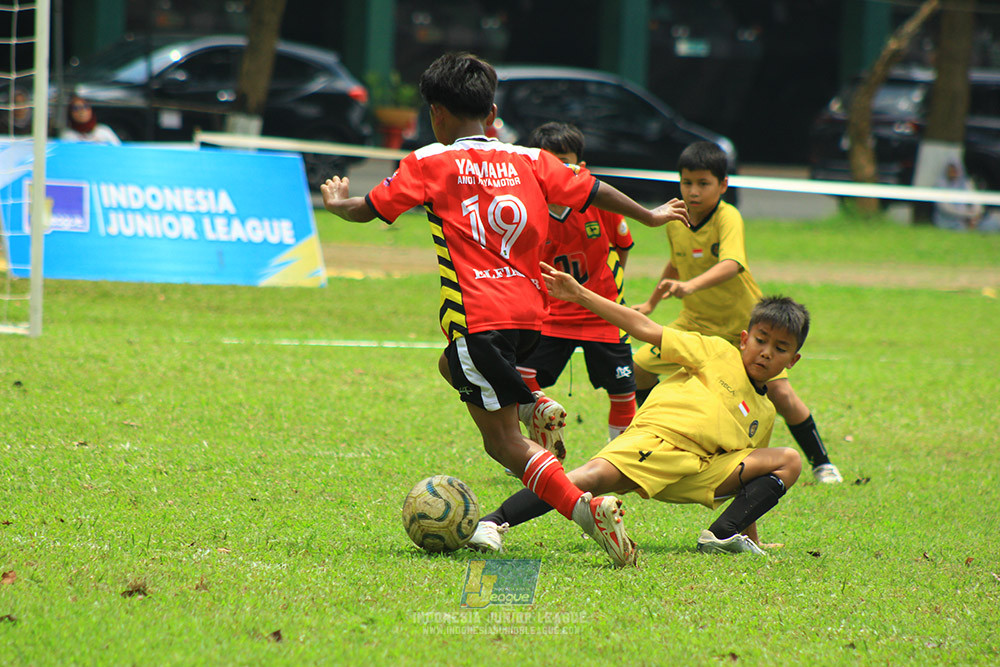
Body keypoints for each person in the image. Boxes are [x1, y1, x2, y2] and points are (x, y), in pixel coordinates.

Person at [320, 52, 689, 567]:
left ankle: (586, 511)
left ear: (436, 112)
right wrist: (648, 215)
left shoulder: (429, 162)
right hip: (530, 318)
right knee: (450, 364)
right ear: (491, 112)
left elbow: (371, 210)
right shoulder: (533, 161)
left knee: (504, 443)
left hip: (479, 318)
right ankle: (533, 400)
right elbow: (592, 190)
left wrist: (339, 203)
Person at [469, 272, 806, 557]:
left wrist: (753, 536)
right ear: (745, 339)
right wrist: (580, 294)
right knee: (588, 478)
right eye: (761, 340)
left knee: (788, 459)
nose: (766, 353)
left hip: (702, 470)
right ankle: (494, 521)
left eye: (780, 349)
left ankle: (721, 537)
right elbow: (645, 328)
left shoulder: (765, 411)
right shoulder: (717, 352)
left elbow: (751, 477)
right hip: (655, 443)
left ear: (793, 360)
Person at [632, 141, 843, 484]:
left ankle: (823, 463)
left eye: (703, 183)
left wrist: (691, 286)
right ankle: (648, 441)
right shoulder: (675, 219)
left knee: (782, 394)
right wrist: (652, 303)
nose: (693, 191)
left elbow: (732, 263)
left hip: (745, 328)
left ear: (723, 185)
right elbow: (677, 261)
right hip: (695, 323)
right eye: (687, 183)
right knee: (640, 368)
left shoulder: (728, 216)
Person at [513, 121, 637, 454]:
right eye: (548, 161)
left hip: (602, 314)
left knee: (623, 391)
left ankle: (621, 460)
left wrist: (608, 290)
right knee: (517, 379)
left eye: (565, 161)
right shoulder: (525, 207)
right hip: (552, 316)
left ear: (581, 167)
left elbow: (623, 244)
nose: (556, 169)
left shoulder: (601, 200)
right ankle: (532, 444)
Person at [932, 160, 998, 232]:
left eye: (955, 170)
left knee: (991, 223)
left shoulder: (965, 183)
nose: (953, 173)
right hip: (948, 220)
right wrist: (965, 215)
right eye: (951, 170)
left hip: (967, 217)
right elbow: (945, 208)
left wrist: (975, 213)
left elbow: (976, 201)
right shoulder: (941, 184)